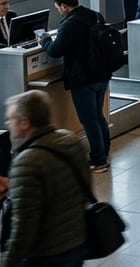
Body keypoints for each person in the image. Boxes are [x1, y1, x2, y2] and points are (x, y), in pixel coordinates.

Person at [2, 90, 90, 266]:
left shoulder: (27, 162)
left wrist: (9, 262)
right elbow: (85, 190)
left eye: (10, 119)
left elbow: (23, 226)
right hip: (76, 242)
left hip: (45, 254)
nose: (8, 124)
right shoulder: (71, 141)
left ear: (25, 123)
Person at [41, 0, 111, 173]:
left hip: (83, 79)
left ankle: (98, 160)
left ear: (64, 6)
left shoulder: (69, 25)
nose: (58, 10)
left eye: (58, 7)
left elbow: (55, 50)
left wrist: (44, 41)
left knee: (89, 120)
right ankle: (104, 151)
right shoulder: (95, 16)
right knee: (98, 116)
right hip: (101, 74)